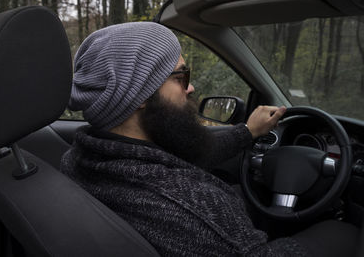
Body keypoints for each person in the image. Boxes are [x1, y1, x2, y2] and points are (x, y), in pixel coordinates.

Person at [60, 22, 358, 256]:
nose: (190, 88)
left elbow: (183, 156)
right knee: (342, 232)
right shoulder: (186, 206)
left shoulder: (81, 157)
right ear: (139, 95)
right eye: (180, 77)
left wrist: (248, 132)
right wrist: (340, 230)